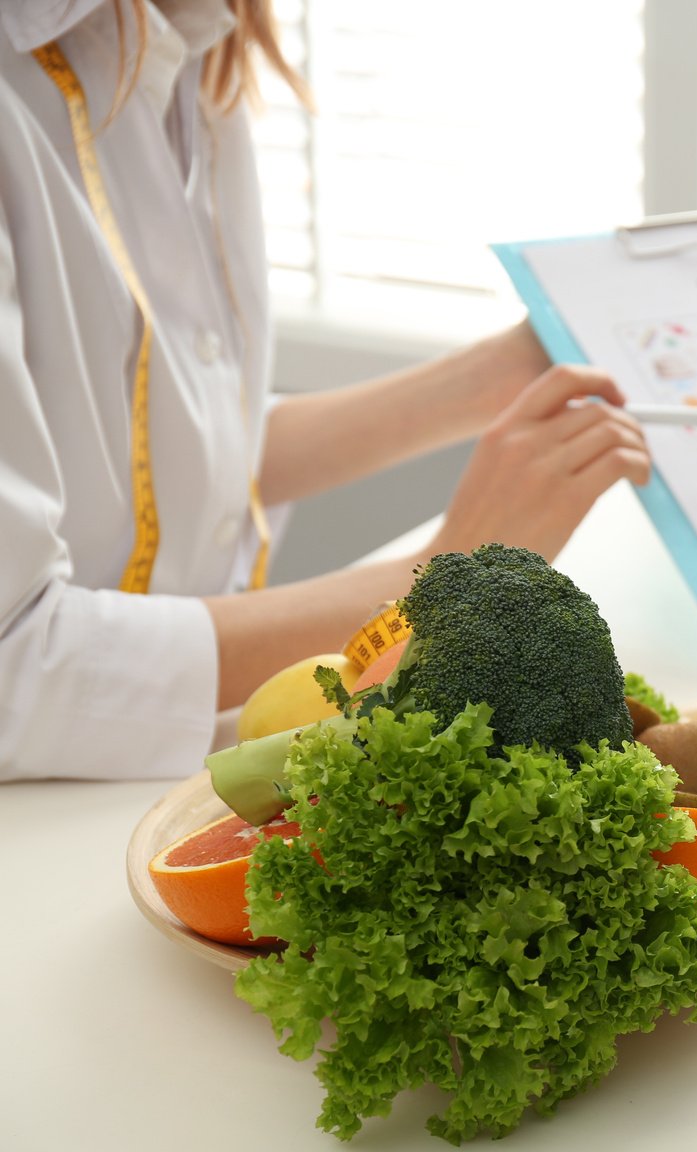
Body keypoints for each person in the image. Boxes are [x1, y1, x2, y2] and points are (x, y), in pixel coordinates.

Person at [0, 0, 650, 782]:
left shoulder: (196, 45)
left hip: (170, 766)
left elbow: (175, 449)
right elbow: (17, 667)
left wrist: (489, 378)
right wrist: (440, 575)